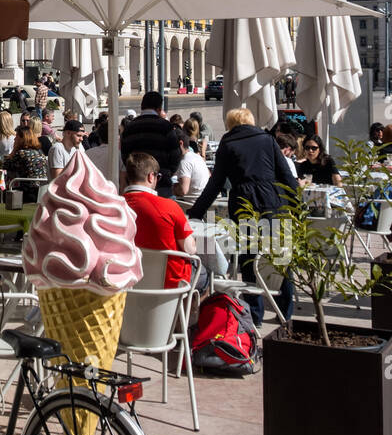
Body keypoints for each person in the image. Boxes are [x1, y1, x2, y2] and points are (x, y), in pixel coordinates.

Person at [189, 107, 296, 325]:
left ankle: (255, 315)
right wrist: (296, 204)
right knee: (280, 257)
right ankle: (285, 311)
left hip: (244, 205)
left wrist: (196, 213)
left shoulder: (228, 144)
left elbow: (216, 183)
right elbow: (285, 174)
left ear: (230, 123)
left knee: (249, 260)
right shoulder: (267, 139)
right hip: (273, 202)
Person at [122, 152, 202, 291]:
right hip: (170, 286)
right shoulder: (170, 206)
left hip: (127, 283)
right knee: (205, 276)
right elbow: (190, 249)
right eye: (157, 177)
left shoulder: (115, 206)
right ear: (151, 176)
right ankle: (183, 312)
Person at [120, 92, 181, 197]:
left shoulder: (129, 128)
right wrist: (166, 173)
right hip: (161, 184)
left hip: (136, 184)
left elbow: (125, 156)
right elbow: (175, 155)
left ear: (142, 106)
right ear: (159, 108)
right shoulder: (166, 127)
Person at [3, 118, 48, 201]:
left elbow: (5, 165)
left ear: (21, 139)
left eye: (16, 137)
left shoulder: (21, 153)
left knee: (3, 194)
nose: (14, 139)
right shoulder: (39, 152)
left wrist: (14, 150)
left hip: (28, 192)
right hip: (42, 191)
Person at [173, 127, 209, 202]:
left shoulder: (185, 161)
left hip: (191, 204)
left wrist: (173, 187)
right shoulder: (197, 157)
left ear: (180, 143)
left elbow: (183, 191)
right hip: (204, 199)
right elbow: (209, 175)